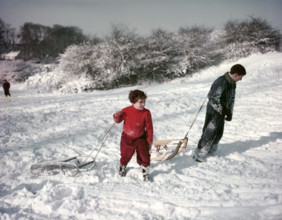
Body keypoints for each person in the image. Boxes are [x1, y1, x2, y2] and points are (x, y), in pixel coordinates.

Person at [193, 64, 246, 162]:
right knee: (210, 132)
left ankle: (211, 151)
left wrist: (230, 112)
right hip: (214, 111)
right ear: (235, 75)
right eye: (240, 77)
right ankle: (199, 154)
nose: (241, 79)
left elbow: (232, 99)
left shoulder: (233, 83)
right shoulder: (221, 81)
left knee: (218, 133)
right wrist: (222, 110)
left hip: (222, 111)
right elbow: (213, 98)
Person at [113, 90, 153, 181]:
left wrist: (149, 141)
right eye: (140, 102)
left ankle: (145, 170)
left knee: (145, 154)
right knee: (125, 153)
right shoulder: (126, 111)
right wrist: (116, 116)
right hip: (127, 137)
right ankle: (123, 165)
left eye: (144, 102)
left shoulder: (146, 113)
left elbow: (149, 128)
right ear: (133, 102)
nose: (143, 104)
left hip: (140, 137)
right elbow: (118, 120)